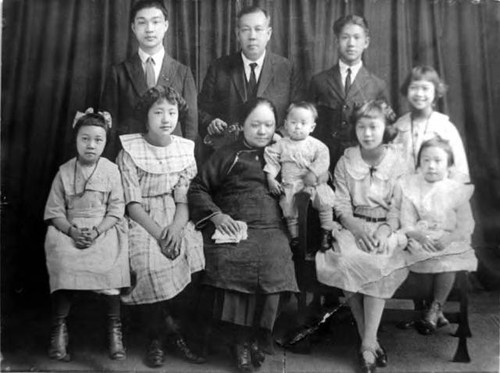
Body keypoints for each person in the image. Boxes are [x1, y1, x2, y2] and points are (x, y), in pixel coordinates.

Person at [188, 98, 298, 372]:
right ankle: (238, 341)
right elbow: (198, 188)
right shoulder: (227, 154)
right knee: (231, 260)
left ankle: (256, 338)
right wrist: (218, 216)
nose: (262, 131)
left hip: (272, 226)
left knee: (275, 260)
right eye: (255, 124)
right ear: (242, 125)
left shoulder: (286, 153)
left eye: (269, 125)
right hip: (233, 224)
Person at [315, 100, 409, 373]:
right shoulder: (346, 160)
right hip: (353, 226)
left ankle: (367, 342)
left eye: (374, 127)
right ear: (354, 129)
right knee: (346, 261)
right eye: (361, 127)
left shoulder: (397, 162)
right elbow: (341, 205)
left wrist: (383, 230)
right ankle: (370, 342)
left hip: (386, 229)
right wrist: (356, 228)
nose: (367, 133)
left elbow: (398, 206)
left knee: (378, 264)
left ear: (386, 129)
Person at [116, 86, 205, 367]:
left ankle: (178, 331)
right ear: (146, 116)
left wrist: (176, 229)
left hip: (176, 214)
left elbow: (183, 197)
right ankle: (157, 335)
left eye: (172, 112)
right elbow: (132, 204)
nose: (166, 119)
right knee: (146, 262)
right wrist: (159, 234)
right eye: (158, 112)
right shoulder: (129, 151)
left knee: (194, 254)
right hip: (142, 217)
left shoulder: (184, 151)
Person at [43, 109, 129, 361]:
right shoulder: (64, 171)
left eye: (98, 140)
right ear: (75, 140)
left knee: (111, 265)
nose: (91, 145)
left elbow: (117, 209)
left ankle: (115, 332)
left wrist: (98, 230)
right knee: (63, 259)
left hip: (103, 229)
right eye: (85, 139)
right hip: (70, 230)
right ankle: (59, 332)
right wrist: (71, 230)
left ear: (105, 142)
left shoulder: (112, 170)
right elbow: (54, 211)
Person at [198, 5, 304, 157]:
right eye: (246, 29)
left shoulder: (286, 68)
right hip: (229, 157)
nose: (252, 36)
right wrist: (210, 121)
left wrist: (279, 135)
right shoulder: (219, 67)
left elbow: (298, 112)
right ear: (237, 34)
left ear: (268, 33)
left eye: (258, 29)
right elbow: (200, 109)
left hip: (274, 154)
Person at [397, 138, 477, 335]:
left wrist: (448, 239)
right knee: (412, 252)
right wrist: (418, 235)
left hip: (450, 238)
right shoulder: (411, 187)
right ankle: (420, 309)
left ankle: (436, 307)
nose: (431, 166)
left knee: (447, 258)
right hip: (421, 236)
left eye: (437, 161)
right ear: (419, 164)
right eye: (425, 160)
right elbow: (406, 222)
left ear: (449, 165)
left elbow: (466, 224)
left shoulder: (456, 190)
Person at [101, 0, 198, 159]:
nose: (149, 29)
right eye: (142, 22)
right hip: (130, 157)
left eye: (155, 22)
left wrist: (185, 161)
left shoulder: (183, 72)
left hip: (172, 158)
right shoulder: (118, 73)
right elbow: (110, 125)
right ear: (133, 27)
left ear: (166, 25)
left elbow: (191, 127)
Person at [309, 15, 388, 171]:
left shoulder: (377, 85)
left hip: (362, 165)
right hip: (325, 165)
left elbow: (386, 130)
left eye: (357, 38)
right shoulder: (319, 81)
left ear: (366, 42)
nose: (351, 43)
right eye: (345, 37)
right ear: (337, 42)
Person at [263, 101, 336, 251]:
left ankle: (326, 232)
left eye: (303, 123)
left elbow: (323, 158)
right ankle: (295, 237)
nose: (297, 127)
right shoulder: (282, 144)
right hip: (291, 182)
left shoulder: (316, 145)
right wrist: (270, 178)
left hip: (312, 182)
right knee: (288, 206)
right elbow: (271, 157)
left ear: (312, 127)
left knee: (324, 200)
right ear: (285, 124)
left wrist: (314, 173)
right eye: (293, 122)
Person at [392, 65, 470, 183]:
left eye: (425, 88)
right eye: (414, 88)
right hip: (405, 195)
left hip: (439, 195)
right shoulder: (399, 126)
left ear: (435, 92)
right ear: (406, 90)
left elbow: (460, 170)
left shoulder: (445, 127)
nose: (419, 93)